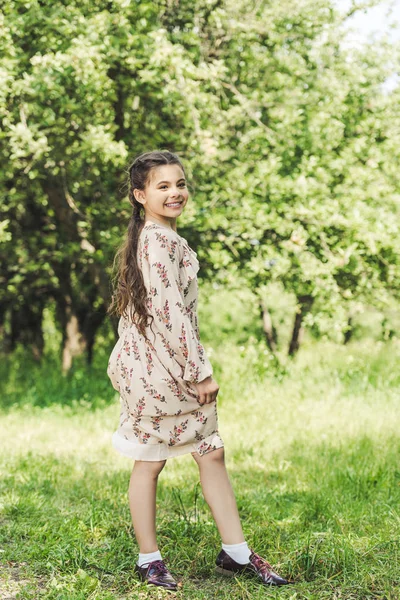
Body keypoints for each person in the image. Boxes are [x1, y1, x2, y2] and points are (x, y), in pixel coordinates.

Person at [107, 150, 289, 591]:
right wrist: (199, 371)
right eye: (162, 186)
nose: (175, 193)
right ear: (140, 194)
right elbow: (169, 313)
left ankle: (236, 552)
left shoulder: (161, 238)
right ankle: (149, 560)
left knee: (210, 452)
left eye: (180, 184)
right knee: (150, 462)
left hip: (168, 362)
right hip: (159, 370)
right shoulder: (154, 241)